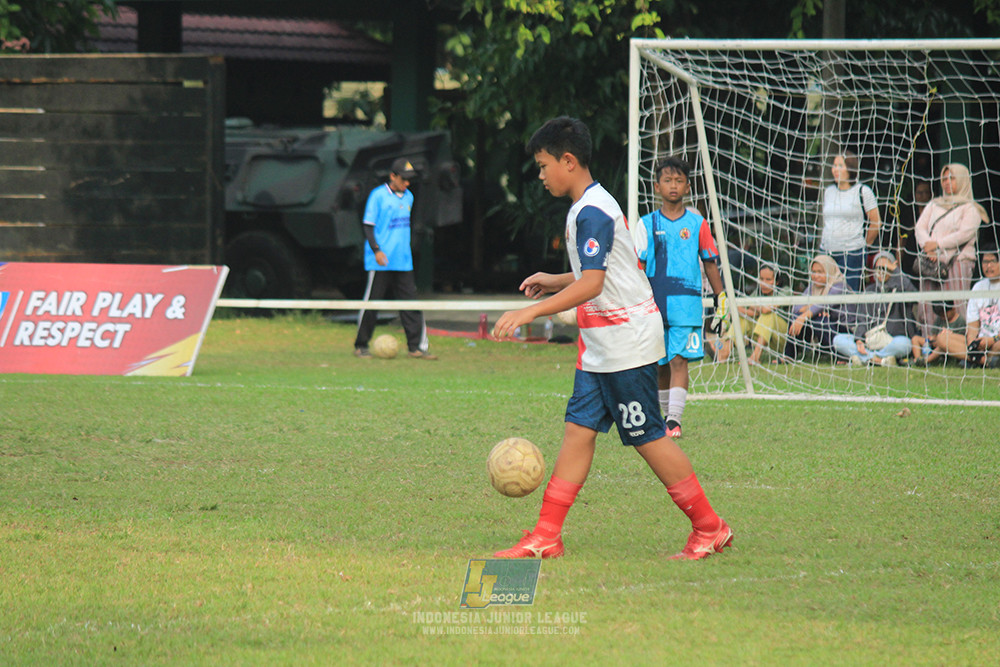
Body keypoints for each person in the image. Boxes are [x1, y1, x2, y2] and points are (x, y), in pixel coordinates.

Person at [490, 117, 732, 561]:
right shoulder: (588, 206)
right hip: (600, 347)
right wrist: (556, 278)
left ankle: (710, 527)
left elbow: (594, 284)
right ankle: (547, 534)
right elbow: (605, 269)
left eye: (544, 166)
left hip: (626, 343)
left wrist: (528, 311)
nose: (541, 175)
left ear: (568, 161)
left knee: (648, 437)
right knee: (578, 433)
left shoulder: (592, 210)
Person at [635, 157, 726, 438]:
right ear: (656, 186)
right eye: (667, 180)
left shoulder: (697, 223)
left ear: (687, 186)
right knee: (660, 364)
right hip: (653, 304)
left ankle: (674, 420)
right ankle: (664, 417)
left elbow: (710, 262)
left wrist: (721, 298)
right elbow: (636, 267)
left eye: (678, 181)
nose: (673, 186)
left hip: (686, 304)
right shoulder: (646, 224)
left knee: (679, 360)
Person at [353, 157, 437, 360]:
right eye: (403, 179)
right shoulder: (378, 196)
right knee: (372, 304)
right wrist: (377, 250)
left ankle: (416, 347)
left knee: (410, 305)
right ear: (392, 176)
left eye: (410, 180)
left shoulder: (408, 197)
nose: (407, 184)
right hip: (380, 261)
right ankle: (361, 345)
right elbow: (368, 226)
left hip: (403, 261)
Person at [914, 163, 988, 338]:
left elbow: (964, 233)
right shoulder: (934, 204)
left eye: (952, 178)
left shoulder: (971, 208)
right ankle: (930, 344)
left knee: (957, 304)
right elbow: (920, 228)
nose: (947, 182)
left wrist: (937, 244)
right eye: (944, 178)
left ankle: (959, 344)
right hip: (931, 263)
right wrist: (929, 247)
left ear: (962, 180)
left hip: (958, 262)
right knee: (929, 305)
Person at [832, 251, 916, 367]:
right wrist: (859, 340)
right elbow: (862, 319)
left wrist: (896, 270)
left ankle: (865, 358)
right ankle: (878, 359)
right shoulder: (869, 290)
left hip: (891, 340)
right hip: (869, 341)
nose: (881, 271)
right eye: (877, 268)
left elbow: (914, 295)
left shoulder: (901, 287)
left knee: (905, 344)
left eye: (885, 267)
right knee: (838, 340)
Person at [920, 250, 1000, 368]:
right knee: (942, 338)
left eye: (993, 261)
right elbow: (972, 325)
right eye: (985, 262)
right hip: (981, 343)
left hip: (996, 341)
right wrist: (973, 342)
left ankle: (972, 359)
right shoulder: (978, 287)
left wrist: (992, 340)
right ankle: (984, 361)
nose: (988, 266)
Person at [818, 150, 882, 292]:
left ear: (850, 168)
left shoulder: (863, 191)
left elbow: (876, 222)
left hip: (851, 254)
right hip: (827, 252)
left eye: (840, 165)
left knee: (848, 296)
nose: (835, 169)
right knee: (824, 295)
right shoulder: (829, 191)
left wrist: (864, 245)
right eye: (834, 165)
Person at [781, 254, 853, 362]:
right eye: (813, 272)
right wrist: (810, 310)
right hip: (824, 327)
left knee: (819, 320)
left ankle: (841, 356)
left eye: (820, 272)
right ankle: (788, 356)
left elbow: (823, 304)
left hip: (844, 330)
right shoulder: (813, 287)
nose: (816, 276)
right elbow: (796, 308)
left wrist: (807, 314)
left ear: (829, 270)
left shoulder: (839, 285)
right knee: (797, 317)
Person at [717, 263, 788, 365]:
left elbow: (766, 310)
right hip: (765, 336)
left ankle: (755, 356)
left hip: (783, 340)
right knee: (743, 319)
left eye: (768, 280)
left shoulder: (785, 291)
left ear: (777, 282)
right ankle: (725, 352)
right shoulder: (758, 293)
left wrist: (753, 308)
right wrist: (753, 310)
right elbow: (739, 307)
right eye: (761, 279)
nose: (764, 283)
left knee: (769, 316)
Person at [897, 178, 933, 279]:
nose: (923, 196)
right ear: (915, 195)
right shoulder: (908, 215)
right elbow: (901, 242)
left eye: (926, 192)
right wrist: (898, 266)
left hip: (930, 261)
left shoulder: (935, 214)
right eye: (920, 193)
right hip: (910, 260)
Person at [910, 301, 965, 366]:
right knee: (915, 339)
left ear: (953, 309)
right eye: (940, 315)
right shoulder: (939, 319)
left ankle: (925, 361)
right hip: (936, 343)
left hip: (947, 346)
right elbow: (934, 334)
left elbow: (961, 340)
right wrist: (932, 338)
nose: (942, 317)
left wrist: (950, 335)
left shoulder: (960, 321)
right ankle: (917, 359)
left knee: (942, 345)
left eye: (944, 315)